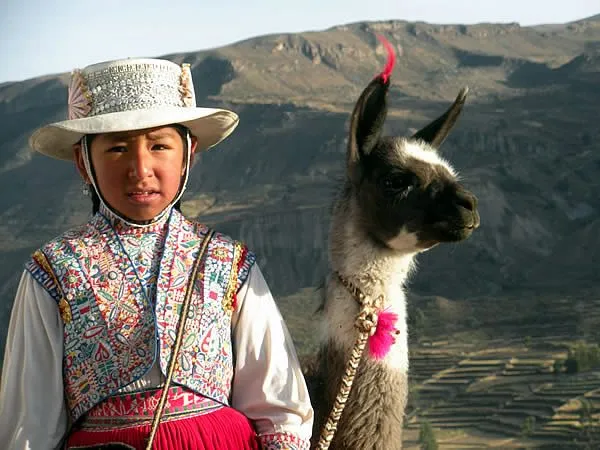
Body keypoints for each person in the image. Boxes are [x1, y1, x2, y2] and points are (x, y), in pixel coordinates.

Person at [0, 58, 314, 449]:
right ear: (84, 162)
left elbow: (277, 403)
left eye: (159, 146)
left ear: (189, 153)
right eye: (117, 148)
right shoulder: (54, 270)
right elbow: (30, 423)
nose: (140, 168)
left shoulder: (226, 261)